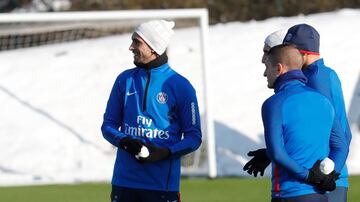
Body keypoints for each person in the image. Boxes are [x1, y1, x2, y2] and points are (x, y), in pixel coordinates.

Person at [244, 25, 350, 201]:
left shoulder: (314, 79)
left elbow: (338, 137)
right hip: (323, 177)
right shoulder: (324, 74)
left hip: (322, 181)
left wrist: (326, 176)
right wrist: (271, 152)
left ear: (300, 53)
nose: (264, 59)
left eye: (268, 53)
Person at [101, 20, 202, 202]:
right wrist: (125, 141)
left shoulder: (181, 86)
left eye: (137, 42)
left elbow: (194, 138)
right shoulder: (124, 80)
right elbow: (108, 126)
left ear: (154, 47)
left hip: (162, 187)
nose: (131, 47)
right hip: (124, 184)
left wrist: (165, 153)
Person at [261, 44, 340, 201]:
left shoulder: (274, 103)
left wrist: (310, 176)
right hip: (321, 195)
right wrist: (328, 176)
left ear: (279, 68)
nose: (264, 73)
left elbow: (278, 153)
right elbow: (340, 146)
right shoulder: (323, 100)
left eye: (267, 67)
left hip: (289, 193)